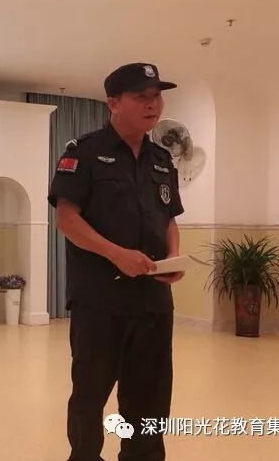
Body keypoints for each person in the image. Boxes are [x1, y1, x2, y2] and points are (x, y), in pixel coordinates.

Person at [48, 63, 185, 461]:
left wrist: (173, 256)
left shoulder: (162, 159)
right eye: (141, 97)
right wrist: (116, 254)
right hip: (100, 302)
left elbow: (169, 218)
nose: (152, 104)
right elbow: (67, 220)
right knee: (90, 395)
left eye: (156, 96)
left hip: (153, 303)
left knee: (151, 396)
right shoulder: (85, 152)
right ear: (113, 103)